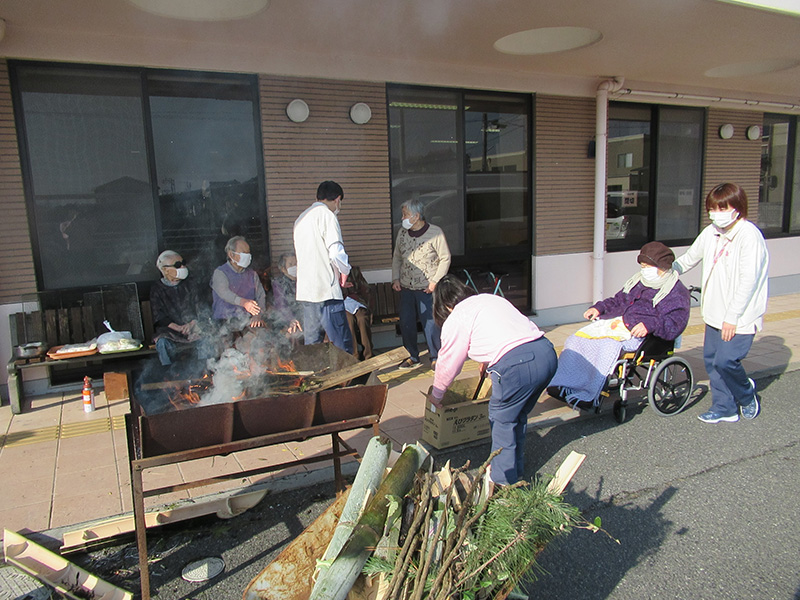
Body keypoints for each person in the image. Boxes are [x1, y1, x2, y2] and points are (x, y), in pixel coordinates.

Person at [429, 275, 557, 487]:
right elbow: (506, 332)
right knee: (517, 415)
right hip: (546, 353)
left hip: (517, 365)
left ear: (445, 306)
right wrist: (488, 359)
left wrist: (437, 395)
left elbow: (448, 361)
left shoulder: (458, 315)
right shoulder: (490, 299)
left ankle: (501, 483)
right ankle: (514, 471)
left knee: (502, 421)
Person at [547, 241, 691, 410]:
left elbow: (675, 322)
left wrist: (649, 324)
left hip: (644, 334)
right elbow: (618, 300)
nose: (644, 270)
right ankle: (565, 383)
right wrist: (598, 308)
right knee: (576, 338)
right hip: (619, 323)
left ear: (661, 267)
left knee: (607, 345)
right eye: (642, 266)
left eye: (647, 266)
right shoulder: (638, 282)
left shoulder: (676, 292)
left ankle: (590, 391)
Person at [673, 183, 769, 423]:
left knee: (726, 361)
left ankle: (746, 395)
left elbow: (748, 280)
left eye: (721, 208)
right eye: (712, 209)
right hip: (714, 311)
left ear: (736, 208)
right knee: (712, 361)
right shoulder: (711, 232)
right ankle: (724, 407)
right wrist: (664, 271)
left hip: (739, 315)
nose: (715, 213)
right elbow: (689, 259)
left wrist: (732, 317)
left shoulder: (749, 236)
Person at [293, 180, 354, 353]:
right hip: (326, 292)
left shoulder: (301, 218)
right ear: (337, 199)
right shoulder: (327, 215)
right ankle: (347, 379)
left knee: (313, 344)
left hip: (306, 292)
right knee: (341, 341)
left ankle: (315, 379)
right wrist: (344, 272)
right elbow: (336, 253)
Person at [392, 199, 451, 369]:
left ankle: (436, 356)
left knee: (431, 324)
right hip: (406, 287)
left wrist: (435, 281)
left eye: (405, 214)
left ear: (416, 216)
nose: (402, 217)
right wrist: (396, 278)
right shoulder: (403, 233)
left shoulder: (435, 232)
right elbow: (397, 256)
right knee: (406, 322)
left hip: (427, 288)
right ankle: (411, 355)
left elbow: (445, 258)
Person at [150, 250, 203, 366]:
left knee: (207, 337)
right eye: (178, 265)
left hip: (193, 327)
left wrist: (191, 324)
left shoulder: (191, 284)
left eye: (183, 263)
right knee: (162, 343)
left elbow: (199, 307)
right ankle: (170, 373)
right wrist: (179, 328)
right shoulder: (157, 289)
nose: (183, 267)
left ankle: (205, 369)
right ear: (165, 270)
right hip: (170, 331)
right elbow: (159, 316)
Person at [211, 236, 267, 330]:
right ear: (231, 254)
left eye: (248, 252)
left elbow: (261, 296)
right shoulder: (220, 273)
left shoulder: (252, 274)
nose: (248, 255)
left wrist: (258, 315)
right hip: (225, 322)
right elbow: (224, 293)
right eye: (244, 253)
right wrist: (244, 302)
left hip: (248, 321)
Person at [342, 266, 374, 360]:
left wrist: (369, 307)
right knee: (349, 320)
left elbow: (366, 289)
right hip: (340, 304)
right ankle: (354, 356)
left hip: (356, 302)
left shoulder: (354, 271)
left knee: (362, 318)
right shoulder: (330, 272)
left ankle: (368, 355)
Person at [270, 253, 303, 333]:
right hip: (286, 319)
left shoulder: (303, 281)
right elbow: (281, 305)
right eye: (290, 264)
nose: (294, 266)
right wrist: (290, 319)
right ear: (283, 269)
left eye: (296, 263)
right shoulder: (278, 283)